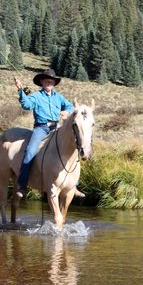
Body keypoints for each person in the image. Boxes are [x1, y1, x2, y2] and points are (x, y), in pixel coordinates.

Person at [14, 68, 84, 199]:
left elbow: (69, 106)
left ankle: (74, 185)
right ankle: (22, 185)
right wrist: (20, 90)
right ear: (42, 82)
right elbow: (26, 105)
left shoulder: (59, 97)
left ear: (54, 83)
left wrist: (67, 112)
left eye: (51, 81)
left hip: (56, 127)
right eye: (46, 80)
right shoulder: (36, 96)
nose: (49, 82)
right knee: (30, 151)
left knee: (72, 149)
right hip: (41, 129)